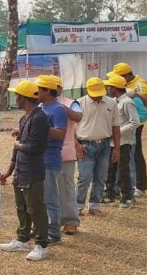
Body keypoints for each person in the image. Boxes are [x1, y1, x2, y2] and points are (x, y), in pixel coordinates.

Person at [0, 80, 50, 262]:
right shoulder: (24, 118)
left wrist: (19, 144)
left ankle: (42, 245)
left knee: (36, 208)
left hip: (33, 172)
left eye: (17, 95)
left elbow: (35, 147)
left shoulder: (40, 118)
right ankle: (22, 239)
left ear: (24, 98)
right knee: (21, 208)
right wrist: (10, 170)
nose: (16, 99)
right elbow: (17, 148)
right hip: (21, 170)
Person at [74, 78, 121, 218]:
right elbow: (71, 127)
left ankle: (95, 205)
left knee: (100, 177)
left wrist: (117, 148)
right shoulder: (79, 103)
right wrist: (76, 144)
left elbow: (116, 126)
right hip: (85, 145)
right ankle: (78, 205)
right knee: (84, 177)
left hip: (105, 144)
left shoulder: (111, 103)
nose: (97, 96)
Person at [109, 63, 147, 196]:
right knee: (124, 157)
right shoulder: (121, 89)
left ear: (126, 75)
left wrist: (136, 94)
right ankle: (120, 185)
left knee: (134, 154)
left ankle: (138, 186)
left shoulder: (139, 84)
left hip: (133, 124)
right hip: (122, 122)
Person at [36, 75, 68, 245]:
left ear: (48, 91)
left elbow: (60, 134)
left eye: (40, 89)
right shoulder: (40, 107)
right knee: (38, 197)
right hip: (37, 157)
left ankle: (54, 232)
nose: (37, 92)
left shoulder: (58, 109)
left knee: (50, 197)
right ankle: (41, 228)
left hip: (50, 158)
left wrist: (42, 126)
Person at [103, 74, 139, 208]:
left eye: (109, 86)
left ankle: (127, 197)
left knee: (123, 169)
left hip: (123, 142)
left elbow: (135, 122)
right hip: (112, 142)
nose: (107, 88)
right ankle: (110, 194)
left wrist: (117, 132)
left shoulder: (127, 102)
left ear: (116, 88)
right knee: (110, 169)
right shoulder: (114, 101)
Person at [55, 80, 83, 236]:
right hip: (46, 153)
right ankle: (52, 220)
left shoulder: (71, 103)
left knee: (66, 187)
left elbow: (78, 116)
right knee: (49, 188)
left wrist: (59, 106)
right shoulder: (41, 104)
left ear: (59, 88)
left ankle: (70, 221)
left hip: (65, 152)